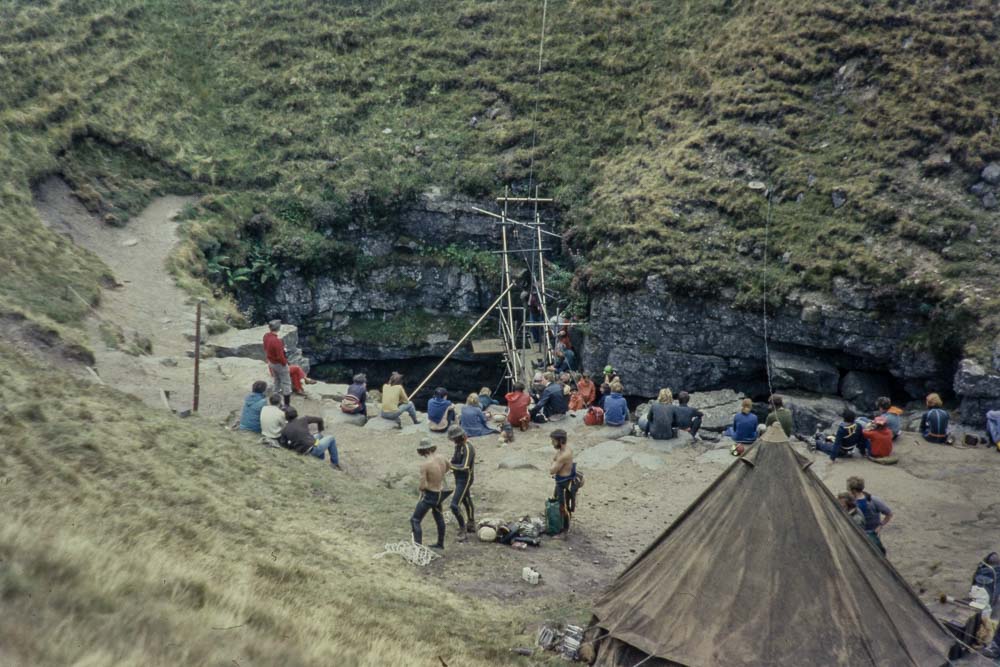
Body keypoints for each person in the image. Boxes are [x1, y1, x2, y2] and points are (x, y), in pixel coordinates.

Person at [411, 438, 450, 549]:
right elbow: (449, 466)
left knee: (415, 519)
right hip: (441, 493)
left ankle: (417, 549)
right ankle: (440, 543)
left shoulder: (425, 465)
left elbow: (422, 486)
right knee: (439, 517)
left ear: (422, 451)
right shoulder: (441, 457)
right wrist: (439, 476)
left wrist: (426, 486)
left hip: (430, 495)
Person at [847, 476, 892, 555]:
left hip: (871, 533)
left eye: (848, 489)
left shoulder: (853, 502)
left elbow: (889, 514)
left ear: (853, 490)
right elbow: (889, 514)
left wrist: (880, 526)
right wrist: (880, 525)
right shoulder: (874, 499)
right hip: (859, 533)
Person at [447, 426, 476, 542]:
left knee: (454, 505)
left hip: (465, 478)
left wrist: (449, 466)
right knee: (466, 499)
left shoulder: (468, 448)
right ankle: (471, 522)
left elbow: (464, 467)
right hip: (458, 477)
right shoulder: (458, 447)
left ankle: (463, 528)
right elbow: (454, 460)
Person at [549, 429, 575, 535]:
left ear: (560, 441)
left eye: (554, 441)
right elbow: (555, 458)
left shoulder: (564, 455)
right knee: (557, 501)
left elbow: (552, 470)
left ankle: (564, 530)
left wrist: (554, 463)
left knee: (562, 506)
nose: (552, 443)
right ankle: (558, 522)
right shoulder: (564, 450)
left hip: (564, 483)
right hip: (561, 480)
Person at [263, 320, 292, 407]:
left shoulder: (266, 336)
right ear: (279, 328)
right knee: (286, 383)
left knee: (276, 380)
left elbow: (265, 347)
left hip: (271, 362)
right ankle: (287, 405)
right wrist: (285, 363)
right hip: (279, 364)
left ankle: (275, 400)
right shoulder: (277, 341)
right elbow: (280, 356)